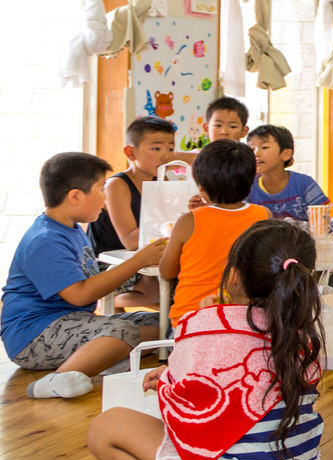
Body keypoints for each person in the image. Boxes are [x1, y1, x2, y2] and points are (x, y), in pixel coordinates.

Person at [88, 220, 326, 460]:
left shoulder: (207, 326)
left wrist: (186, 349)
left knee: (105, 427)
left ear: (232, 277)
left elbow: (187, 403)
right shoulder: (302, 333)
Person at [2, 152, 164, 399]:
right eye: (101, 189)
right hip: (33, 337)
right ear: (75, 196)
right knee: (123, 331)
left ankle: (104, 360)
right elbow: (79, 295)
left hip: (71, 321)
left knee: (164, 324)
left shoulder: (72, 228)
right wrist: (138, 260)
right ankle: (56, 381)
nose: (105, 197)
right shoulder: (45, 239)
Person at [160, 141, 269, 324]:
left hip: (191, 319)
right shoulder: (263, 215)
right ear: (251, 182)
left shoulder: (189, 221)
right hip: (244, 318)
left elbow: (166, 271)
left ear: (201, 188)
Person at [87, 115, 175, 308]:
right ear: (130, 153)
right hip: (109, 263)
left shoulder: (163, 181)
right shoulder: (116, 185)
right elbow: (130, 240)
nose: (165, 156)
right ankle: (106, 301)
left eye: (170, 148)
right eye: (156, 148)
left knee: (176, 287)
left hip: (145, 260)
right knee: (160, 293)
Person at [245, 125, 329, 223]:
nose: (256, 154)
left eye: (264, 147)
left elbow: (323, 223)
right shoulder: (248, 188)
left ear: (286, 154)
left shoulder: (304, 184)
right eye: (251, 149)